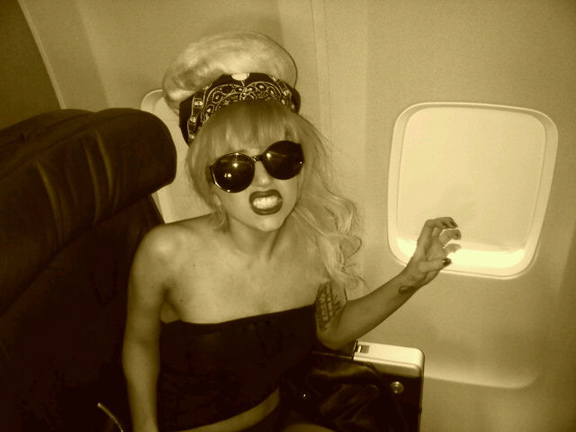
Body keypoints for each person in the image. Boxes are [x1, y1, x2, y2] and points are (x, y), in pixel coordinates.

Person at [122, 31, 461, 432]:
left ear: (301, 169)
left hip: (281, 417)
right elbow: (140, 343)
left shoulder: (317, 243)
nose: (264, 181)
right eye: (235, 168)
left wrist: (412, 278)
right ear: (210, 184)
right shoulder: (167, 252)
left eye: (280, 158)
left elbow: (332, 333)